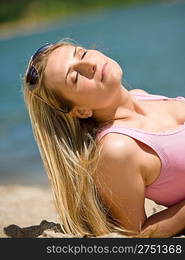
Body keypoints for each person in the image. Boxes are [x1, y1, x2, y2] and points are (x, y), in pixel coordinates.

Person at [22, 39, 185, 238]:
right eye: (75, 77)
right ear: (80, 111)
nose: (89, 64)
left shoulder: (142, 96)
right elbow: (137, 233)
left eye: (81, 54)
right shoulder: (117, 147)